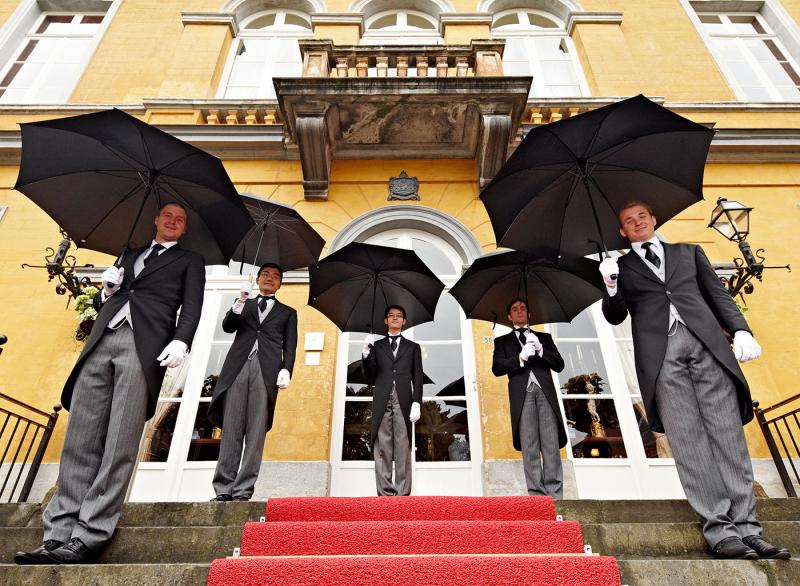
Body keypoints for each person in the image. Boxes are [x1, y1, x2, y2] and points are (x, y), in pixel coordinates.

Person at [598, 200, 790, 560]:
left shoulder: (689, 252)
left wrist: (741, 330)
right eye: (629, 221)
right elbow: (615, 315)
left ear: (654, 219)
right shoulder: (620, 268)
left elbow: (717, 294)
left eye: (642, 216)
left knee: (728, 437)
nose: (637, 223)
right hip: (661, 357)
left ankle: (749, 530)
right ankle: (721, 532)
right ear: (622, 231)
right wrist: (610, 285)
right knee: (689, 443)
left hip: (707, 346)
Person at [15, 202, 205, 565]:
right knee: (79, 438)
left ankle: (88, 535)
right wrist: (105, 291)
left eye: (180, 220)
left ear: (184, 229)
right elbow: (111, 296)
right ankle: (57, 534)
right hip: (102, 340)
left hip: (143, 346)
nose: (173, 221)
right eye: (168, 215)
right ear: (156, 219)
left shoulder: (190, 261)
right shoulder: (129, 252)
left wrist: (181, 340)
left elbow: (192, 307)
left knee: (119, 442)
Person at [207, 263, 297, 502]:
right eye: (265, 274)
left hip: (266, 371)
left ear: (280, 284)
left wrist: (287, 369)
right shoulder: (244, 303)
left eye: (276, 276)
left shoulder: (288, 312)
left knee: (256, 432)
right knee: (231, 428)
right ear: (257, 279)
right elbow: (228, 327)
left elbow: (290, 345)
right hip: (238, 367)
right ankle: (223, 488)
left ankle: (243, 490)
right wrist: (240, 301)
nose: (270, 278)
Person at [492, 298, 567, 498]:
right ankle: (536, 495)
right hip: (521, 393)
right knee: (529, 444)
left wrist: (541, 350)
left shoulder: (544, 338)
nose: (519, 311)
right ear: (509, 316)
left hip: (545, 392)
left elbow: (559, 365)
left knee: (550, 444)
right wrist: (519, 358)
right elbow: (497, 368)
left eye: (523, 308)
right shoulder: (502, 342)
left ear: (529, 314)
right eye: (515, 309)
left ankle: (555, 494)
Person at [362, 305, 423, 496]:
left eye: (399, 316)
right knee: (383, 444)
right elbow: (370, 375)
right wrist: (366, 354)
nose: (395, 318)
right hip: (382, 397)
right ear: (385, 320)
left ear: (404, 321)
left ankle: (402, 492)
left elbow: (418, 377)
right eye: (391, 315)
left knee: (402, 444)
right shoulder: (377, 346)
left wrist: (417, 402)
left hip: (403, 399)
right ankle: (385, 492)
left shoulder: (413, 347)